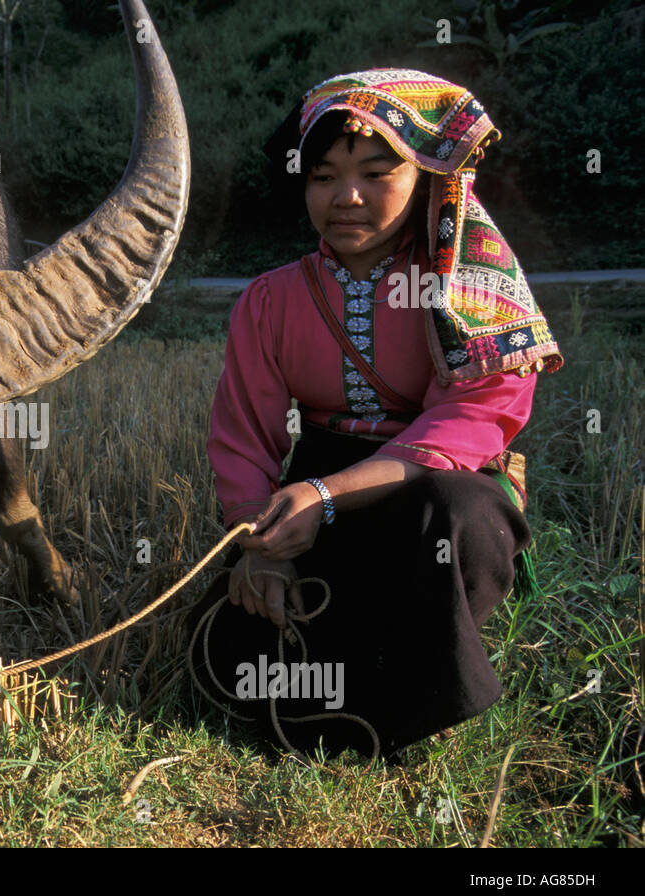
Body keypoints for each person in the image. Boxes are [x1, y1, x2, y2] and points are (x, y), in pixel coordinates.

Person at [188, 69, 563, 760]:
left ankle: (415, 683)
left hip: (429, 490)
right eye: (323, 176)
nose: (346, 197)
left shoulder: (468, 288)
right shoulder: (270, 301)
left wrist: (327, 498)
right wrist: (258, 548)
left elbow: (471, 423)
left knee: (464, 520)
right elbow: (244, 442)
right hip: (311, 487)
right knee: (231, 639)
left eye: (375, 173)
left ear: (425, 178)